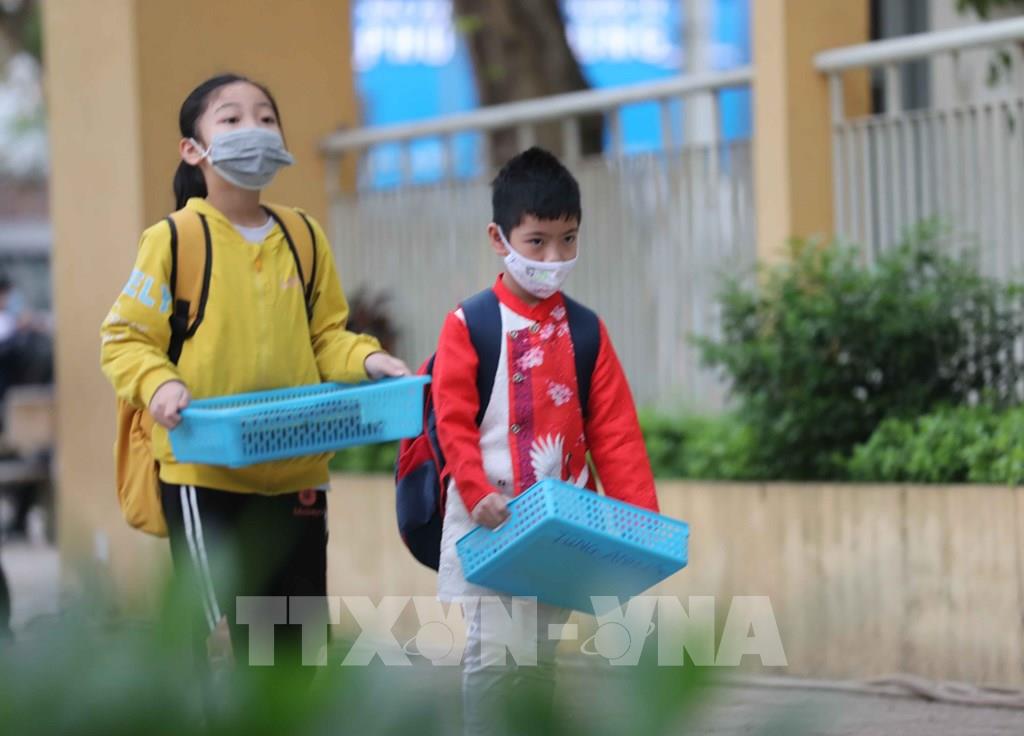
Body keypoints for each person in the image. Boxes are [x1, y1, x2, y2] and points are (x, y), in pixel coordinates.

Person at [99, 74, 409, 690]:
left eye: (266, 118)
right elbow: (125, 339)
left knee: (292, 651)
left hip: (296, 474)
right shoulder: (174, 240)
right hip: (204, 472)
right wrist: (159, 384)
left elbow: (327, 337)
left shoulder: (304, 236)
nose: (255, 131)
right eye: (232, 119)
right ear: (193, 149)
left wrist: (369, 360)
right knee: (219, 640)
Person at [431, 147, 660, 734]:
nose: (554, 257)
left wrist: (639, 524)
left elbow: (615, 432)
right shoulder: (469, 325)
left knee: (538, 657)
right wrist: (475, 490)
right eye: (537, 241)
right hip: (491, 520)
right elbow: (451, 421)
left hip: (562, 526)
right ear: (499, 238)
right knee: (493, 654)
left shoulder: (586, 331)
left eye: (568, 239)